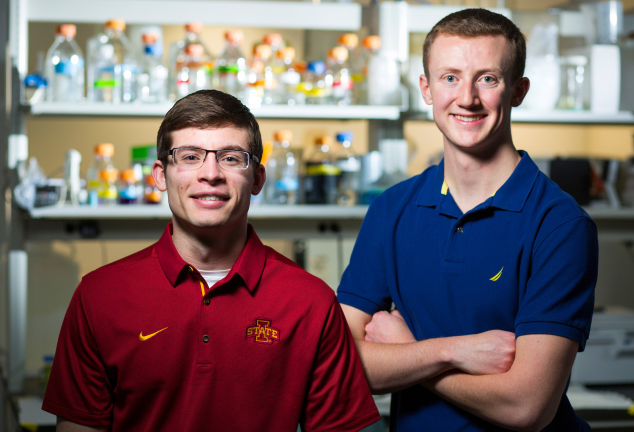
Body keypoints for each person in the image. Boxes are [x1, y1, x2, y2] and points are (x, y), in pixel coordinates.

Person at [42, 90, 381, 432]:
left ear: (258, 179)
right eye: (190, 157)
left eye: (231, 158)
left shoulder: (310, 301)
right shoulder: (100, 295)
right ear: (160, 175)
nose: (211, 174)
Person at [337, 8, 597, 432]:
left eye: (488, 78)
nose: (467, 98)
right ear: (426, 88)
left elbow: (526, 407)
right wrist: (451, 352)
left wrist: (406, 352)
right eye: (450, 77)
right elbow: (341, 364)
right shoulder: (392, 209)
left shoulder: (559, 225)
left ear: (518, 90)